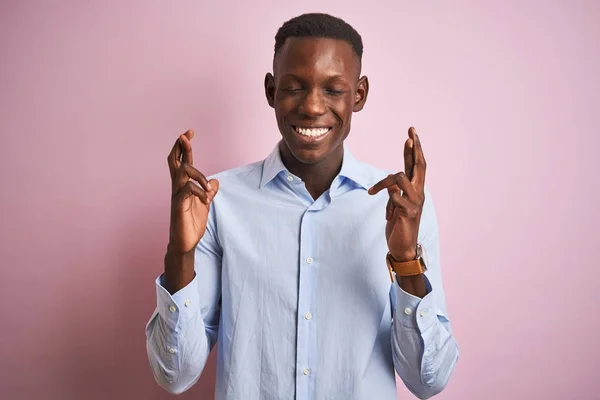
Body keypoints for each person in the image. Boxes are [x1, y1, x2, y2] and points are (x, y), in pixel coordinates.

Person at [145, 12, 459, 400]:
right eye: (294, 87)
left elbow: (429, 381)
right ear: (270, 91)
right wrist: (180, 254)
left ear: (358, 94)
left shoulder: (404, 209)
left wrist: (407, 259)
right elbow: (175, 375)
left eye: (333, 90)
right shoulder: (215, 201)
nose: (312, 107)